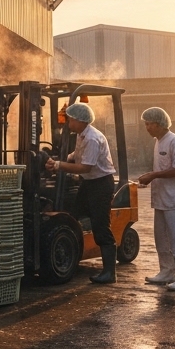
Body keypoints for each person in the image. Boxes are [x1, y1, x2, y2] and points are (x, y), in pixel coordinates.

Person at [46, 100, 117, 284]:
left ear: (80, 120)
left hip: (100, 184)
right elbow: (77, 155)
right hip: (89, 183)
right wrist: (59, 159)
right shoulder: (81, 135)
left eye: (71, 120)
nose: (69, 124)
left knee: (100, 226)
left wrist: (60, 165)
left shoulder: (92, 138)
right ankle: (71, 252)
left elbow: (85, 167)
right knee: (73, 215)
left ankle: (110, 272)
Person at [137, 106, 175, 292]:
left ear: (160, 124)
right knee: (161, 237)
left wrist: (153, 175)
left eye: (149, 123)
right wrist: (152, 176)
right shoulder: (158, 141)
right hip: (162, 199)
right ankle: (167, 271)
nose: (147, 127)